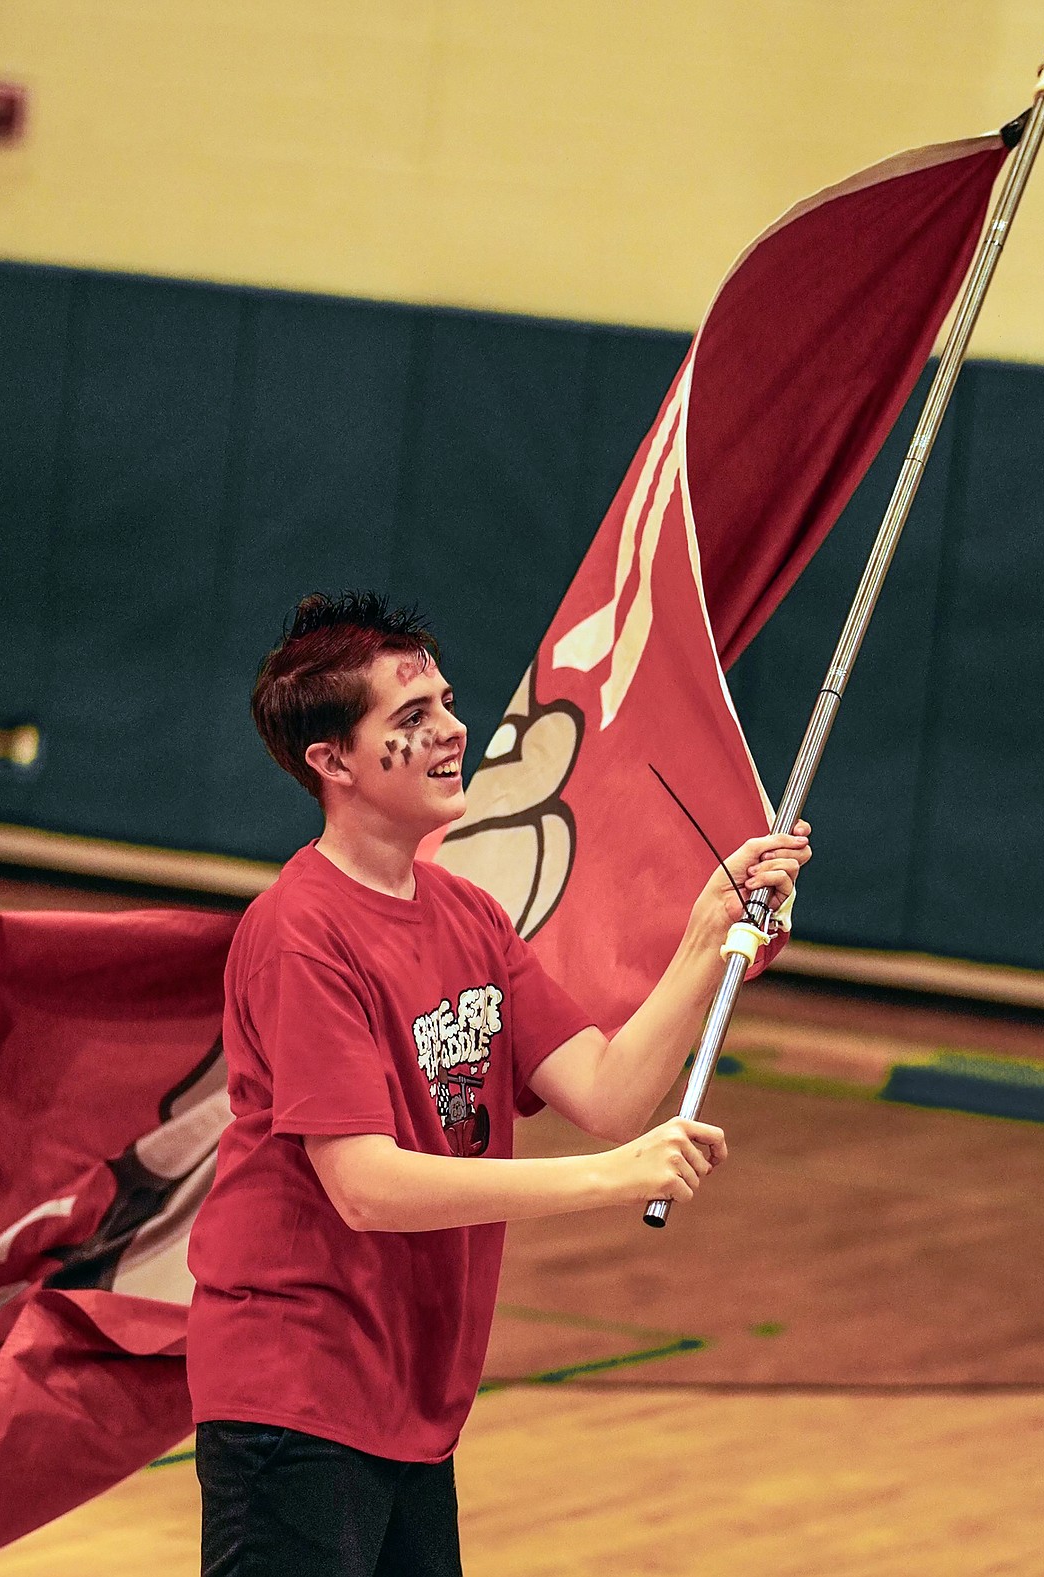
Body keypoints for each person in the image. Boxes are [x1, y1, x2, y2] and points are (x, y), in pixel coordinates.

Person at [187, 591, 811, 1577]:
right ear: (332, 761)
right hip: (295, 1394)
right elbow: (366, 1183)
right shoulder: (301, 930)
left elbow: (606, 1091)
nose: (453, 728)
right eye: (411, 718)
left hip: (414, 1403)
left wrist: (705, 935)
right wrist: (608, 1179)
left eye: (444, 699)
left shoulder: (468, 913)